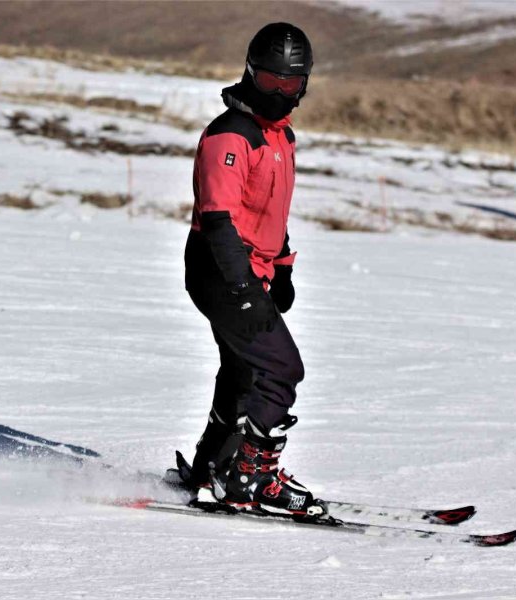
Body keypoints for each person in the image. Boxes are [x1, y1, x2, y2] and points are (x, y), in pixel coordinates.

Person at [178, 22, 325, 519]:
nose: (281, 93)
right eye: (270, 82)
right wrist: (242, 287)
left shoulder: (281, 136)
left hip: (251, 269)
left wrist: (280, 269)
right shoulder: (229, 136)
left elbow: (269, 212)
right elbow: (218, 219)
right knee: (281, 370)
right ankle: (249, 476)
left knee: (243, 371)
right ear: (248, 73)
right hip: (220, 270)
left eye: (291, 84)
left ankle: (209, 467)